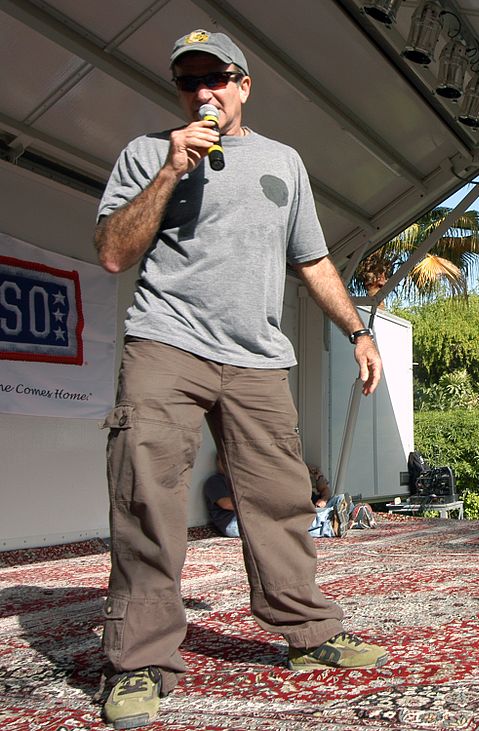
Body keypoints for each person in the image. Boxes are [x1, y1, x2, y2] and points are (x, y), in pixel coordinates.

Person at [94, 29, 387, 729]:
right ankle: (139, 660)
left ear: (244, 83)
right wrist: (169, 170)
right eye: (188, 82)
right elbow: (112, 251)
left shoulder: (284, 163)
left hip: (258, 355)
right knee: (147, 498)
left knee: (282, 497)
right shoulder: (144, 153)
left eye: (216, 77)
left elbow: (313, 261)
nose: (203, 92)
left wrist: (359, 330)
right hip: (167, 341)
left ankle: (309, 632)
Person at [204, 455, 350, 538]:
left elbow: (324, 493)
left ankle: (344, 517)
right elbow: (226, 504)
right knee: (286, 523)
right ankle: (333, 521)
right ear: (219, 462)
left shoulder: (243, 481)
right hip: (235, 521)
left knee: (289, 521)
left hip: (252, 514)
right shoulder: (215, 481)